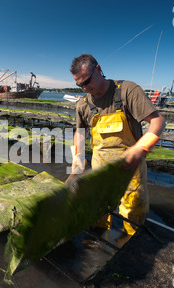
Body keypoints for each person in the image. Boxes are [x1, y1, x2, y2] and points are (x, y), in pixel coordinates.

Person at [69, 54, 166, 235]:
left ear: (98, 70)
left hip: (130, 171)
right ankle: (96, 246)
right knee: (97, 214)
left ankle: (129, 244)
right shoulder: (83, 104)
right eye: (79, 85)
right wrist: (77, 158)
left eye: (87, 81)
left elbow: (158, 122)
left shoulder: (127, 90)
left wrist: (141, 148)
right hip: (100, 171)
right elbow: (80, 133)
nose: (84, 87)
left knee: (132, 216)